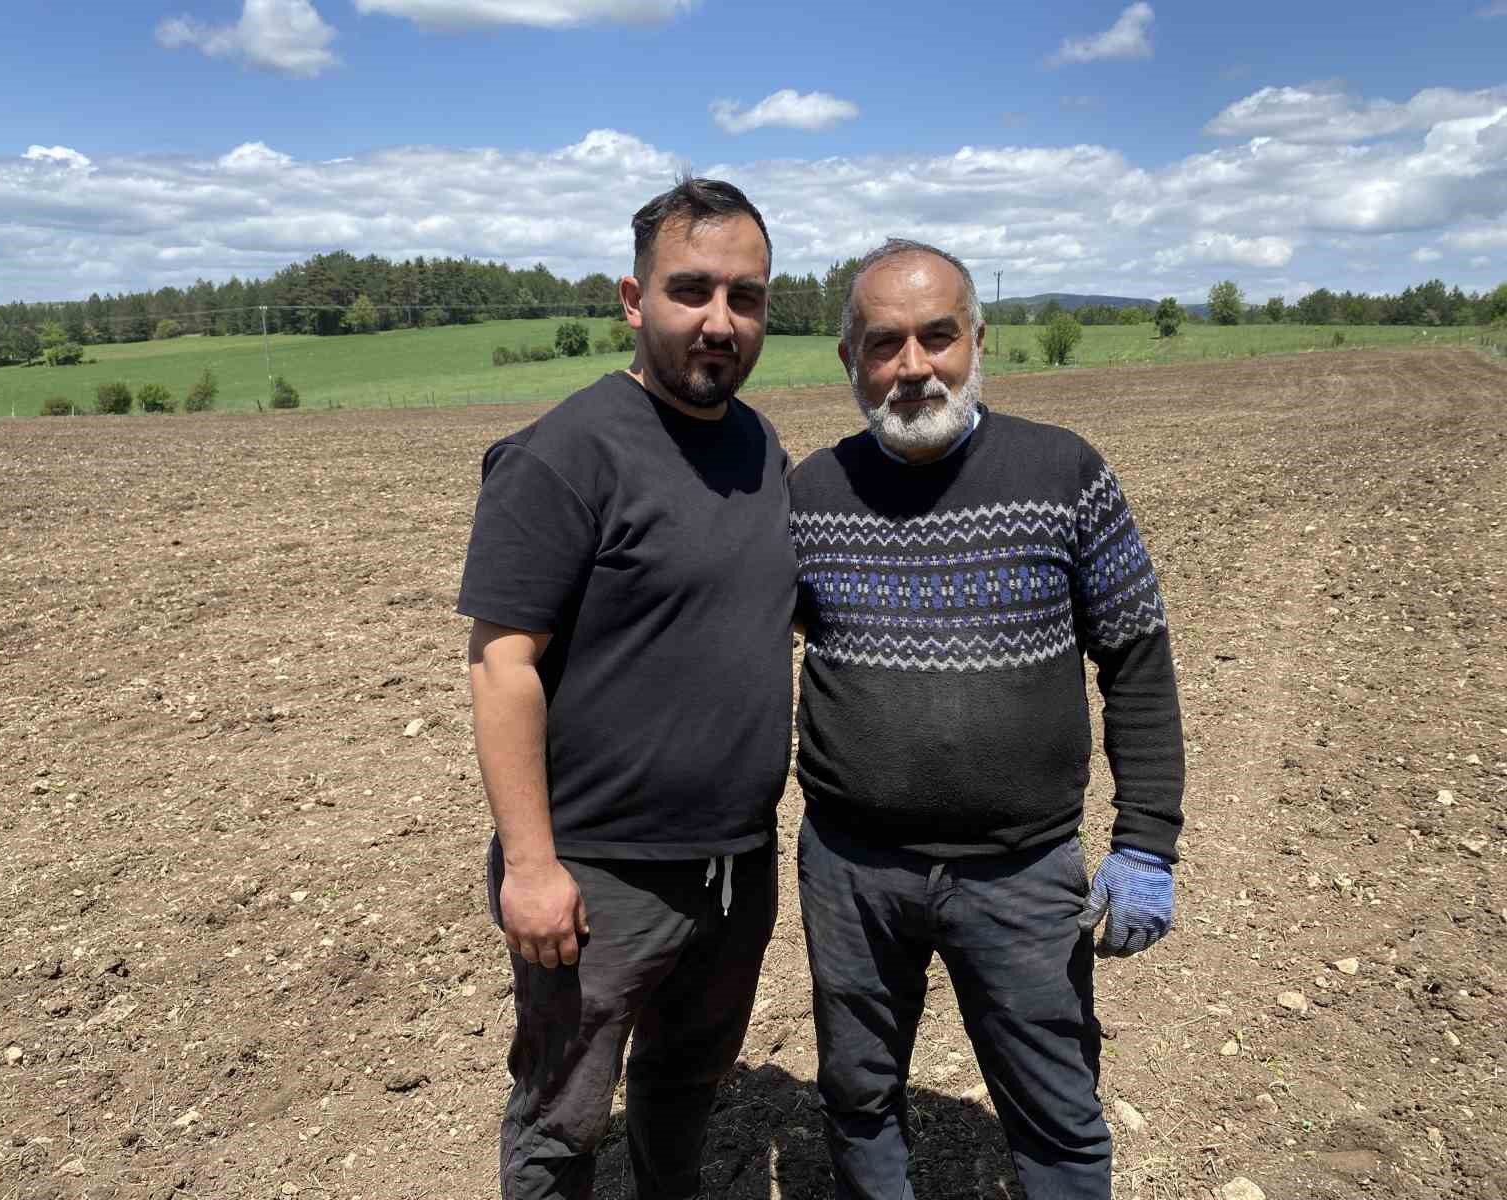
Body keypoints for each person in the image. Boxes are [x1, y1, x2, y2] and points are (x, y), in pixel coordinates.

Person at [789, 238, 1186, 1199]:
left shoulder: (1064, 473)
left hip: (1020, 871)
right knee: (859, 1098)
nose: (914, 367)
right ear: (850, 360)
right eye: (885, 344)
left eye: (938, 336)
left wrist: (1148, 842)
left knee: (1057, 1117)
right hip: (851, 873)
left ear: (978, 340)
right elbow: (715, 640)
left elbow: (1136, 656)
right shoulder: (808, 495)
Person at [457, 177, 795, 1200]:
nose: (718, 320)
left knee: (685, 1086)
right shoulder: (568, 453)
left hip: (734, 865)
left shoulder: (757, 445)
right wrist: (531, 866)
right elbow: (499, 664)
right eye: (690, 289)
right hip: (601, 876)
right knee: (561, 1118)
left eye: (745, 296)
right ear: (631, 298)